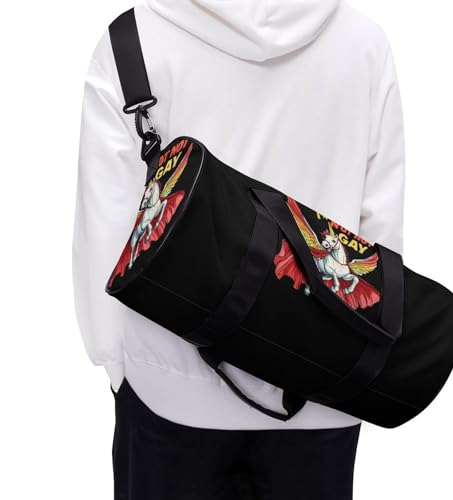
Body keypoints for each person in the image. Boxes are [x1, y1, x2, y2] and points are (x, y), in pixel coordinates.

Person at [72, 1, 405, 499]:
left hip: (169, 388)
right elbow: (380, 229)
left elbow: (106, 223)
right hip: (321, 392)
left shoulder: (131, 39)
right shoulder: (364, 43)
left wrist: (121, 368)